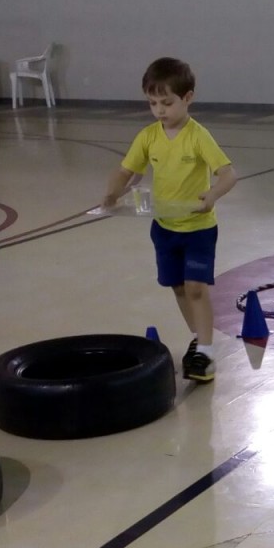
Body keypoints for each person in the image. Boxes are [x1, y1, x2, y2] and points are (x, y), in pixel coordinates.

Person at [102, 57, 237, 382]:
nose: (160, 110)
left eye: (167, 102)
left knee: (195, 289)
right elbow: (127, 170)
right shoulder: (149, 136)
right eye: (153, 103)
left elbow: (228, 174)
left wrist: (213, 194)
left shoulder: (197, 135)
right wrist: (113, 193)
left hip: (198, 230)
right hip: (164, 229)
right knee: (178, 288)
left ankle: (205, 351)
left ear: (187, 98)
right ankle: (198, 338)